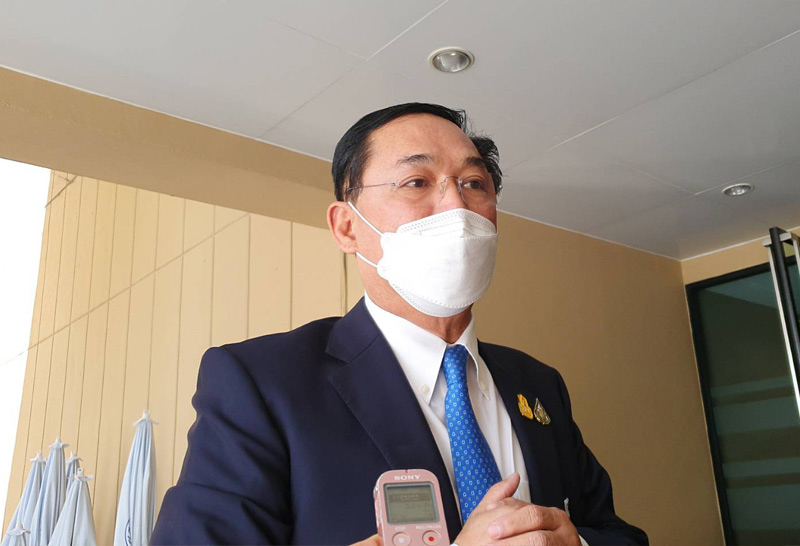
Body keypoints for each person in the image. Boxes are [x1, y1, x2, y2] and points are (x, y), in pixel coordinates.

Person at [151, 103, 648, 546]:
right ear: (347, 226)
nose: (456, 207)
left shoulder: (538, 384)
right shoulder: (261, 382)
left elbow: (618, 532)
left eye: (474, 183)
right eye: (416, 182)